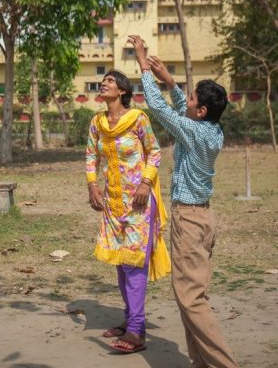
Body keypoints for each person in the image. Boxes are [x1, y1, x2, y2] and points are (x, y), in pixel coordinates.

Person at [128, 34, 240, 368]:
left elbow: (162, 110)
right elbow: (181, 109)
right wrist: (171, 81)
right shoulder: (211, 129)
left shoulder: (196, 131)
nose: (187, 100)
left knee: (191, 300)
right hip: (201, 219)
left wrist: (142, 64)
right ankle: (202, 362)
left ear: (202, 110)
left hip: (191, 221)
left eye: (192, 98)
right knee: (189, 296)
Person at [86, 69, 171, 354]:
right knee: (122, 265)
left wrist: (146, 183)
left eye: (110, 81)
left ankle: (136, 332)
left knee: (134, 265)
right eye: (103, 81)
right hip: (111, 203)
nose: (104, 83)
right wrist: (92, 186)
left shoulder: (138, 119)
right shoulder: (97, 122)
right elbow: (90, 156)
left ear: (122, 90)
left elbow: (155, 151)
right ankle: (131, 320)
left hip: (138, 202)